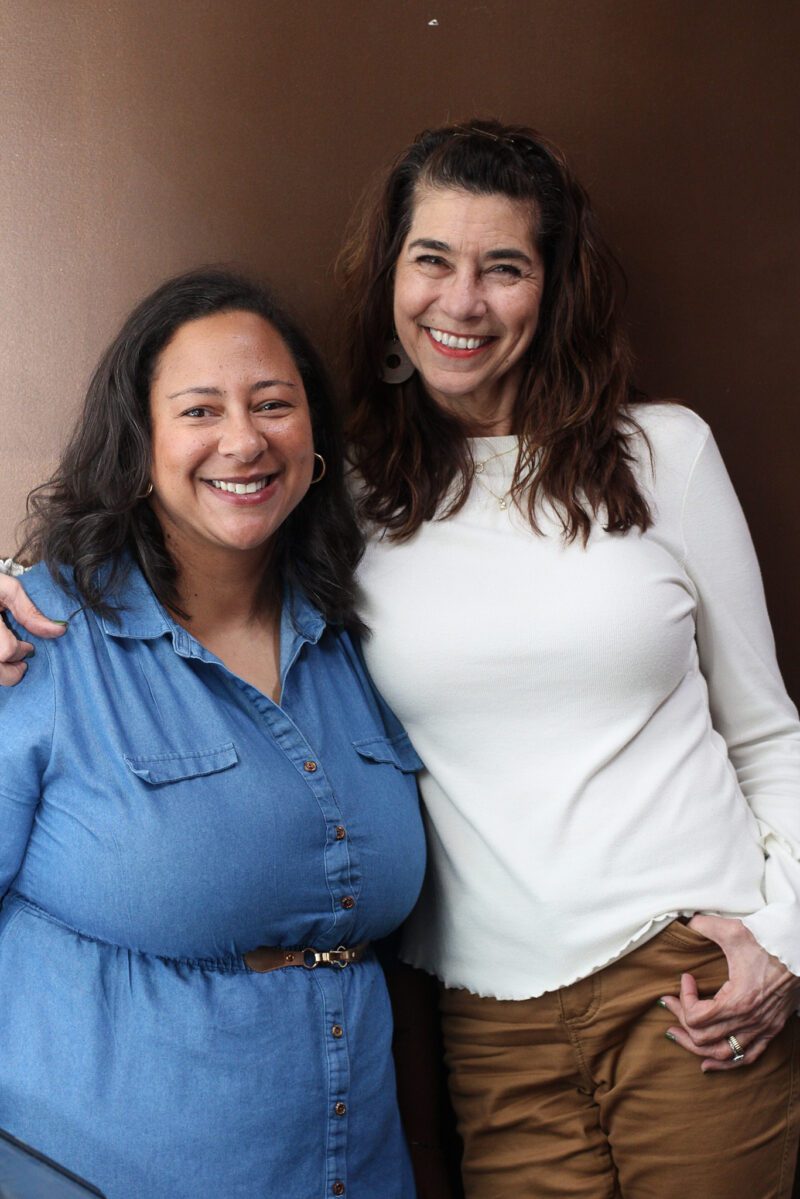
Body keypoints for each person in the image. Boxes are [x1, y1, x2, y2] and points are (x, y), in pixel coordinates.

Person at [4, 120, 800, 1198]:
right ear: (389, 280)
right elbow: (161, 526)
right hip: (488, 1016)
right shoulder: (351, 503)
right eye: (431, 259)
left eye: (503, 267)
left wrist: (782, 936)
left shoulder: (662, 452)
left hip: (687, 975)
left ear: (551, 287)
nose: (460, 301)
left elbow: (764, 729)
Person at [0, 268, 427, 1199]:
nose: (244, 439)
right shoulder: (34, 641)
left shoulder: (362, 641)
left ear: (313, 436)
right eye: (199, 410)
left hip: (353, 1172)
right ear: (139, 443)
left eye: (274, 403)